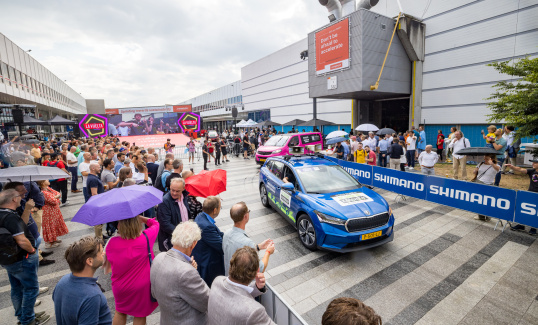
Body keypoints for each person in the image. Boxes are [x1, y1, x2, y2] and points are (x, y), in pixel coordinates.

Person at [0, 189, 51, 325]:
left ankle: (22, 316)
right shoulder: (10, 216)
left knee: (16, 288)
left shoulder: (4, 214)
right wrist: (33, 251)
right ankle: (28, 320)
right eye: (19, 196)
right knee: (31, 289)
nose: (21, 198)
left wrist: (27, 209)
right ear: (13, 200)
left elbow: (20, 225)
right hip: (20, 259)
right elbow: (21, 240)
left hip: (8, 259)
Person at [151, 221, 210, 324]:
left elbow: (154, 293)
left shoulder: (158, 258)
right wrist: (191, 270)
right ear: (193, 244)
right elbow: (207, 303)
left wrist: (188, 268)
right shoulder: (186, 273)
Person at [104, 215, 159, 325]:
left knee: (120, 312)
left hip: (120, 286)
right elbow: (156, 224)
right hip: (141, 286)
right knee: (140, 314)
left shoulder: (111, 243)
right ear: (137, 223)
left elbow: (108, 264)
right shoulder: (146, 238)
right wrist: (141, 217)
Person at [53, 236, 111, 325]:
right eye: (100, 252)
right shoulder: (92, 296)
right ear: (90, 261)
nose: (104, 253)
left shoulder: (62, 282)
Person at [207, 247, 272, 325]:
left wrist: (257, 288)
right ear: (257, 271)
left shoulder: (217, 281)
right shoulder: (254, 311)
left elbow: (237, 292)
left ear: (231, 266)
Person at [223, 202, 275, 275]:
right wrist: (268, 252)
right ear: (245, 216)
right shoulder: (247, 242)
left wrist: (258, 247)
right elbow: (260, 269)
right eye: (248, 211)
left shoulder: (226, 234)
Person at [191, 196, 224, 287]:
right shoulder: (207, 227)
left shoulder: (201, 216)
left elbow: (218, 234)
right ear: (214, 210)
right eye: (220, 208)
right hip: (208, 266)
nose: (220, 210)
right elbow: (221, 246)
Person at [157, 178, 191, 251]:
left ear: (183, 189)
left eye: (177, 191)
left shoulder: (185, 197)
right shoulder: (164, 202)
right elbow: (165, 224)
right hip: (172, 240)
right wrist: (181, 234)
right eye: (172, 190)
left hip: (183, 237)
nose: (174, 193)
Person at [506, 158, 538, 235]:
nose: (533, 164)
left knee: (535, 211)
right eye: (533, 162)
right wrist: (512, 167)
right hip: (530, 194)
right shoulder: (532, 171)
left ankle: (533, 228)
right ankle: (521, 225)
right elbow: (521, 169)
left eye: (535, 163)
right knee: (524, 209)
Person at [36, 180, 69, 248]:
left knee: (54, 224)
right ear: (42, 183)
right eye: (46, 180)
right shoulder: (43, 192)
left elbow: (58, 193)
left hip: (53, 211)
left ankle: (54, 238)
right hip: (48, 212)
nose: (48, 180)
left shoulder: (48, 188)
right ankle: (50, 242)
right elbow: (53, 201)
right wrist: (56, 197)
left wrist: (55, 197)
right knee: (49, 225)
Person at [471, 154, 501, 222]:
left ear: (492, 159)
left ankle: (488, 216)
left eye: (486, 159)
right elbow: (475, 172)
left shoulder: (496, 166)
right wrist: (475, 170)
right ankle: (481, 216)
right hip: (479, 182)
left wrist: (492, 164)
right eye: (484, 158)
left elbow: (498, 170)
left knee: (487, 201)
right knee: (479, 200)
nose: (485, 160)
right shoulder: (481, 164)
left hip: (489, 184)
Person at [87, 163, 106, 240]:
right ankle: (99, 239)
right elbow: (94, 193)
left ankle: (100, 235)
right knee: (98, 222)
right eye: (98, 167)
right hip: (97, 203)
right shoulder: (93, 179)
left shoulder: (94, 177)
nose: (100, 168)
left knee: (100, 221)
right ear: (93, 168)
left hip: (98, 202)